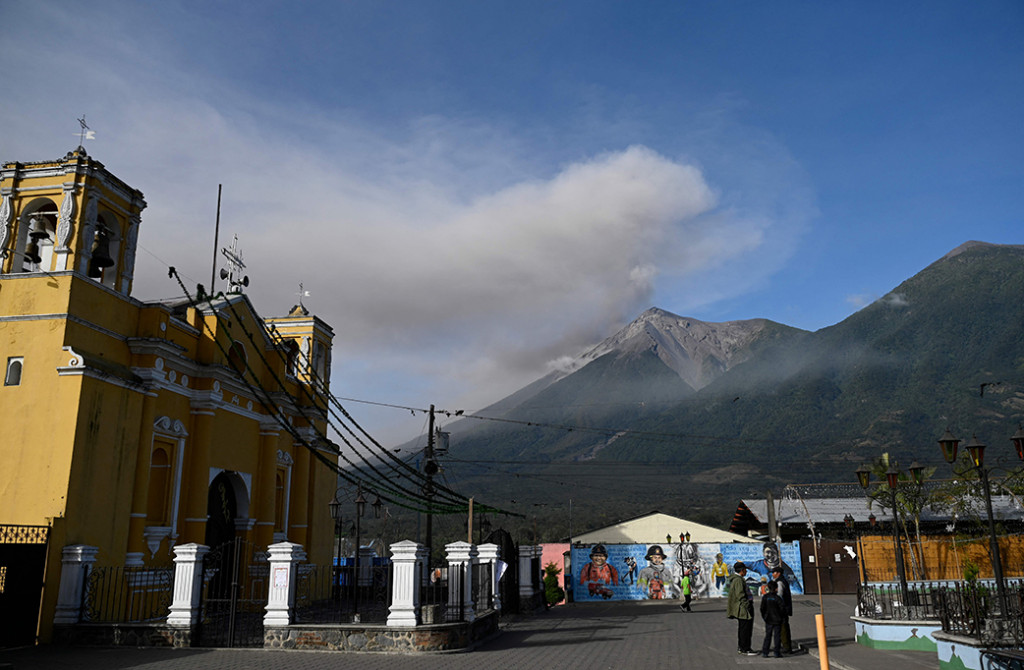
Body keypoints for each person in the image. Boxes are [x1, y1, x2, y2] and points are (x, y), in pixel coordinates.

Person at [726, 561, 758, 655]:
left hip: (742, 607)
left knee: (743, 628)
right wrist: (746, 604)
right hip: (743, 608)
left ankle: (743, 647)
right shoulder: (738, 580)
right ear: (742, 570)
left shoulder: (737, 579)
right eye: (745, 570)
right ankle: (745, 648)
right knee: (745, 629)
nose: (746, 572)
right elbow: (740, 594)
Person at [760, 579, 785, 658]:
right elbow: (782, 609)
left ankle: (765, 652)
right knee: (777, 636)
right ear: (776, 589)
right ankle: (776, 652)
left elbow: (762, 608)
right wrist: (782, 618)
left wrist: (764, 617)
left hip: (768, 619)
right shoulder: (778, 598)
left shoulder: (765, 597)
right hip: (777, 620)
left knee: (768, 636)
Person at [772, 565, 794, 653]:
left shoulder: (779, 582)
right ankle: (785, 645)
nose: (772, 574)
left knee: (783, 628)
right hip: (783, 608)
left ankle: (786, 647)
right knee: (782, 627)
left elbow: (779, 595)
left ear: (778, 573)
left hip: (782, 608)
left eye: (774, 572)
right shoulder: (780, 581)